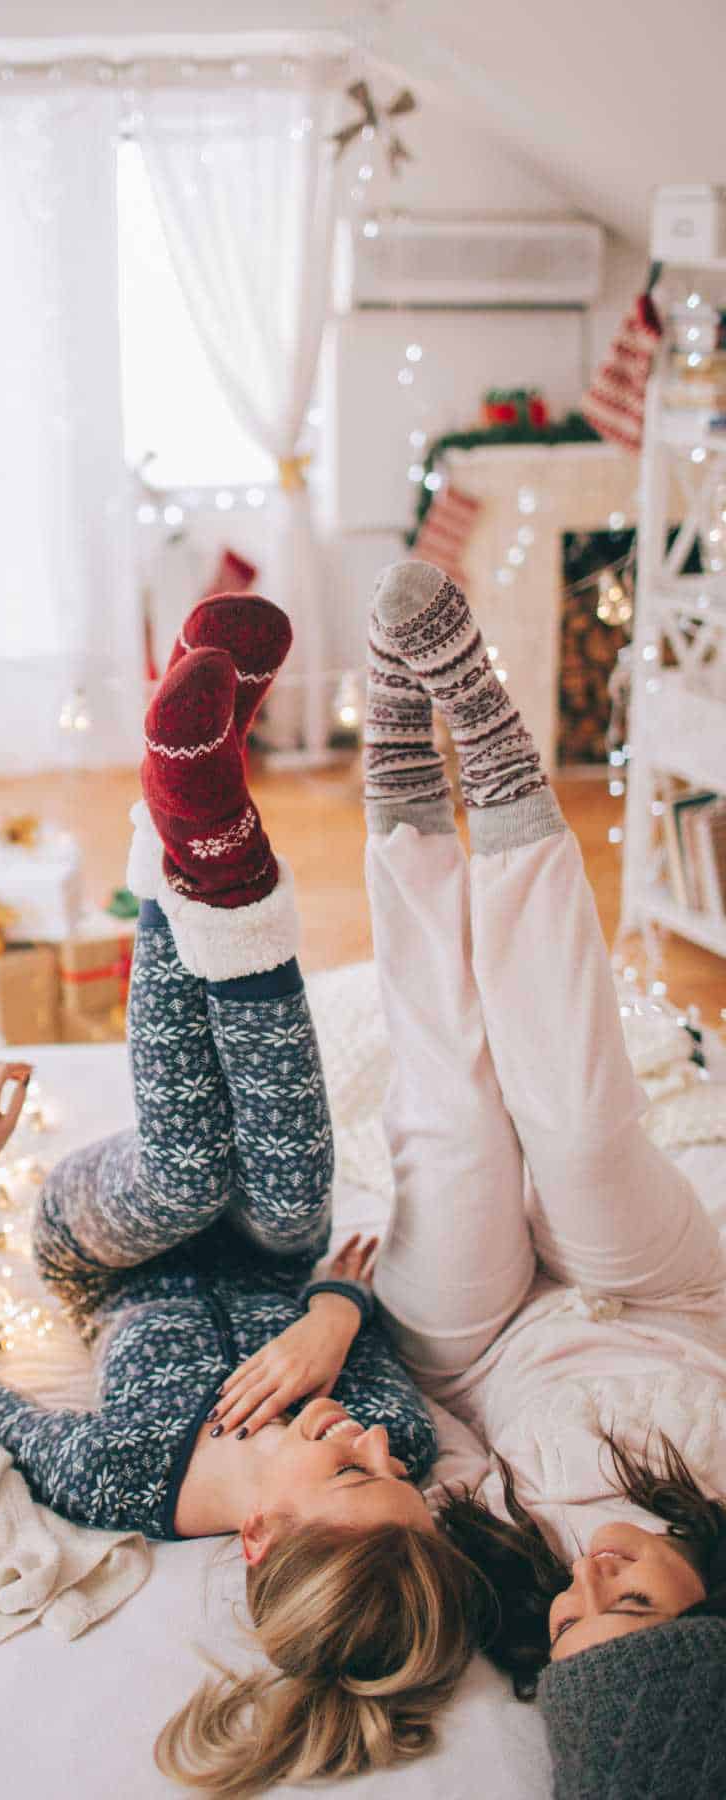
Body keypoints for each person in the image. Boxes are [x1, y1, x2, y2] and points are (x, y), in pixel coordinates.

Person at [0, 595, 493, 1794]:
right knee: (286, 1190)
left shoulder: (122, 1476)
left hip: (107, 1250)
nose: (381, 1445)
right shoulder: (405, 1435)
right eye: (399, 1475)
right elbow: (342, 1280)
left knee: (190, 1169)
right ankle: (206, 831)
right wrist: (335, 1315)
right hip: (272, 1251)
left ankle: (178, 829)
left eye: (353, 1475)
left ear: (263, 1535)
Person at [354, 559, 726, 1797]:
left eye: (574, 1620)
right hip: (666, 1295)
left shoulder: (511, 1577)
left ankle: (404, 799)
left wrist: (351, 1321)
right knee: (575, 1126)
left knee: (459, 1131)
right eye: (629, 1601)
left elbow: (427, 1443)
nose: (590, 1578)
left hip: (481, 1342)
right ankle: (504, 770)